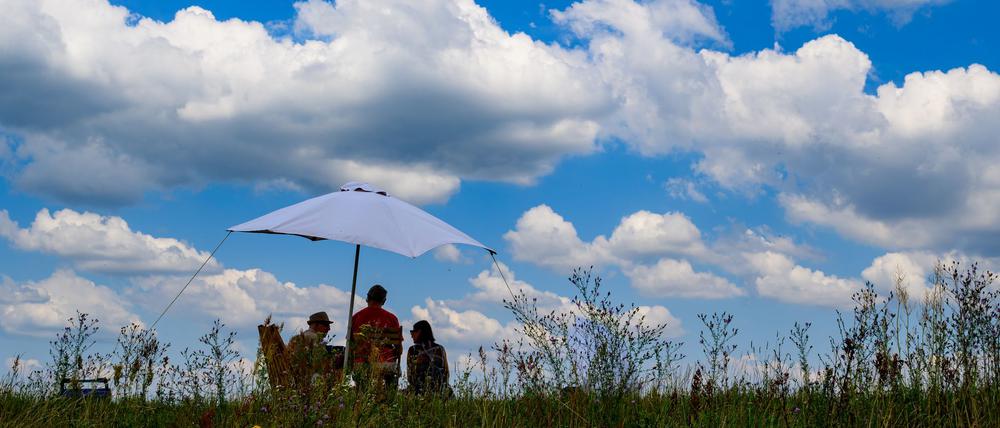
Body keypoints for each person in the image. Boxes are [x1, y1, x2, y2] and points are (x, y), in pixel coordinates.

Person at [350, 284, 402, 393]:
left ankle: (361, 398)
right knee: (389, 380)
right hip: (385, 363)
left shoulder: (356, 317)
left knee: (362, 391)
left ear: (367, 298)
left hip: (362, 362)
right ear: (384, 301)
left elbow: (350, 343)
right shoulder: (392, 318)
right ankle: (389, 398)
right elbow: (399, 348)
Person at [287, 311, 334, 385]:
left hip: (293, 379)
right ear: (316, 325)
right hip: (308, 381)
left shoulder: (297, 338)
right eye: (325, 325)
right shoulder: (314, 338)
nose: (329, 328)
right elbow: (320, 364)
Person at [406, 320, 450, 396]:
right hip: (439, 390)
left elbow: (410, 376)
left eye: (413, 332)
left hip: (418, 390)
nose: (411, 335)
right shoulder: (440, 349)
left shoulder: (412, 350)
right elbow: (446, 373)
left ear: (419, 332)